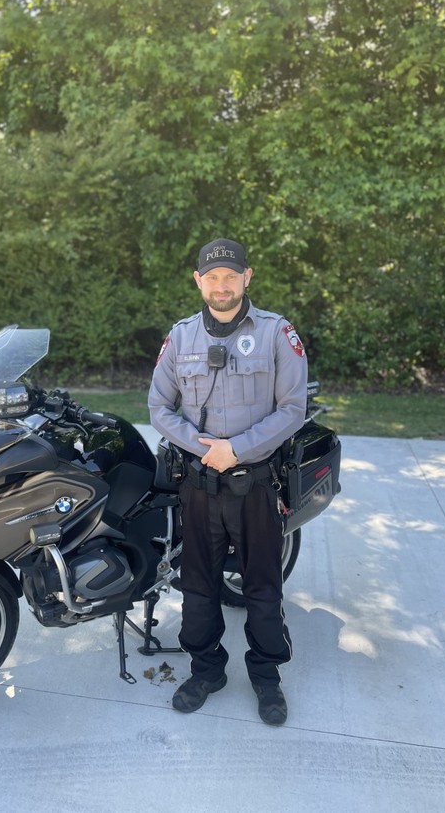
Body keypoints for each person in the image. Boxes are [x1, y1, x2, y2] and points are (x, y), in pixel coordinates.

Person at [147, 238, 308, 725]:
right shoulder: (180, 338)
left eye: (230, 276)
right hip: (199, 487)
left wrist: (235, 450)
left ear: (247, 277)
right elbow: (159, 408)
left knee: (263, 589)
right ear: (199, 281)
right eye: (212, 277)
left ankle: (266, 677)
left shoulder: (277, 333)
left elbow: (293, 409)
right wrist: (204, 448)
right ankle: (206, 671)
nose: (222, 286)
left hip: (256, 485)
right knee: (198, 588)